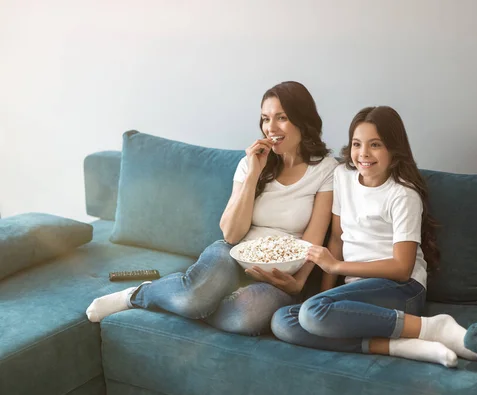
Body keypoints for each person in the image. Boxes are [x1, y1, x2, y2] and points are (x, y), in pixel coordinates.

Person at [86, 81, 339, 336]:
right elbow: (230, 234)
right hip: (233, 253)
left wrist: (297, 283)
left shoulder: (325, 169)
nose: (270, 128)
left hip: (280, 272)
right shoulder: (250, 163)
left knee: (246, 318)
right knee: (194, 299)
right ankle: (140, 294)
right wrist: (253, 175)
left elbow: (313, 240)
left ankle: (180, 297)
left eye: (281, 118)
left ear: (303, 120)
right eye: (265, 119)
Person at [271, 106, 477, 367]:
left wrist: (336, 268)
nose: (363, 154)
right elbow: (337, 239)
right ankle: (396, 346)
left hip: (401, 290)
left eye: (375, 145)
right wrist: (325, 297)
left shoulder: (403, 194)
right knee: (283, 321)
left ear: (393, 150)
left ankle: (433, 328)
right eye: (357, 144)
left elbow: (402, 268)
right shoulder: (342, 177)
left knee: (312, 313)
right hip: (356, 292)